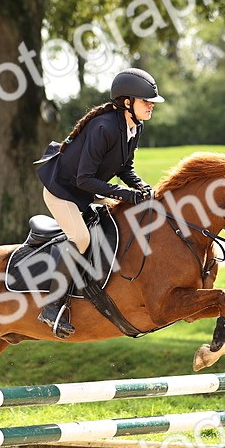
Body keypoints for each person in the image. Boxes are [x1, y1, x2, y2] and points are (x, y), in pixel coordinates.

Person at [33, 67, 164, 338]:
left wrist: (139, 186)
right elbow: (83, 179)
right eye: (145, 101)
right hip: (64, 191)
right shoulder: (103, 127)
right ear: (127, 102)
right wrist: (126, 195)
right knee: (81, 239)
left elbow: (125, 168)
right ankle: (51, 305)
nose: (151, 105)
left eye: (152, 101)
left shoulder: (133, 126)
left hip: (87, 190)